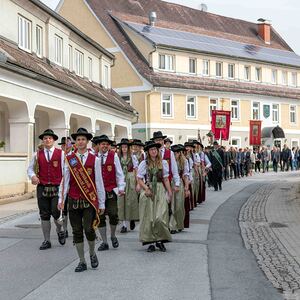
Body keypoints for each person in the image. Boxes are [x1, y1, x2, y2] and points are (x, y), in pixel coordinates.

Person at [58, 128, 105, 272]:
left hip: (89, 200)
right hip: (73, 199)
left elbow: (98, 182)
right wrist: (61, 199)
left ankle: (91, 253)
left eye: (83, 139)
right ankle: (82, 261)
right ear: (75, 142)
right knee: (77, 231)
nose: (80, 142)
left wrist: (101, 202)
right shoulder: (69, 158)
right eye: (78, 139)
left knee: (89, 229)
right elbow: (64, 181)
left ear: (87, 141)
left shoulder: (95, 159)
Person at [27, 129, 66, 250]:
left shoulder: (61, 154)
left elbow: (65, 171)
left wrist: (64, 186)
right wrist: (32, 176)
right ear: (43, 140)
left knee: (56, 212)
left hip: (57, 187)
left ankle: (60, 231)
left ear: (53, 140)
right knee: (44, 214)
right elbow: (30, 169)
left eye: (49, 138)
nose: (47, 140)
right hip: (42, 187)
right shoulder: (37, 154)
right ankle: (46, 240)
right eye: (45, 138)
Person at [137, 141, 173, 252]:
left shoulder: (163, 163)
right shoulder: (144, 163)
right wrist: (146, 188)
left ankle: (160, 240)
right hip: (148, 190)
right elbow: (139, 179)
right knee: (149, 218)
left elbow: (166, 179)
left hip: (160, 189)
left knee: (159, 217)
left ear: (157, 151)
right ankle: (151, 242)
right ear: (148, 152)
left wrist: (169, 192)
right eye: (151, 149)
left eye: (155, 149)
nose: (153, 151)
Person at [96, 135, 126, 251]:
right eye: (102, 144)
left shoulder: (114, 156)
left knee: (113, 214)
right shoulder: (94, 157)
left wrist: (121, 187)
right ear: (98, 145)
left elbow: (119, 173)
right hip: (98, 192)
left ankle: (113, 235)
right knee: (100, 216)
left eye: (106, 144)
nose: (104, 146)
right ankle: (104, 242)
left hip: (110, 190)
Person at [117, 138, 139, 233]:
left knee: (130, 201)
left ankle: (131, 218)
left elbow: (136, 169)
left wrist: (137, 182)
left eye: (126, 147)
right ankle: (124, 225)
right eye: (123, 147)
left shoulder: (132, 157)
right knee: (122, 202)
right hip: (121, 179)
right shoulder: (118, 157)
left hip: (130, 179)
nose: (124, 149)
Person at [169, 144, 190, 234]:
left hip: (179, 184)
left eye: (177, 152)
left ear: (180, 153)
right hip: (170, 183)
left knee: (179, 206)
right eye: (174, 152)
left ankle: (179, 224)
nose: (175, 154)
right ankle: (172, 226)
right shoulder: (168, 161)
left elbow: (185, 175)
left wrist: (186, 188)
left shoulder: (184, 161)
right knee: (172, 205)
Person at [58, 136, 75, 238]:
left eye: (68, 145)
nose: (66, 147)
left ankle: (73, 228)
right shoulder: (59, 156)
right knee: (62, 209)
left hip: (70, 186)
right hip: (60, 185)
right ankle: (65, 229)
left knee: (71, 209)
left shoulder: (73, 157)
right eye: (64, 145)